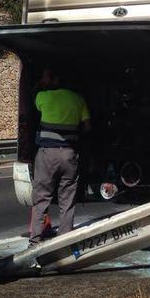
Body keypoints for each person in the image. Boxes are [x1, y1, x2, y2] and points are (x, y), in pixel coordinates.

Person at [29, 67, 91, 247]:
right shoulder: (78, 100)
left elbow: (33, 103)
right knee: (67, 200)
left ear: (55, 80)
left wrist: (41, 84)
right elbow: (88, 127)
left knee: (41, 198)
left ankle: (35, 243)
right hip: (69, 155)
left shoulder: (44, 97)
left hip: (47, 154)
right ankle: (64, 241)